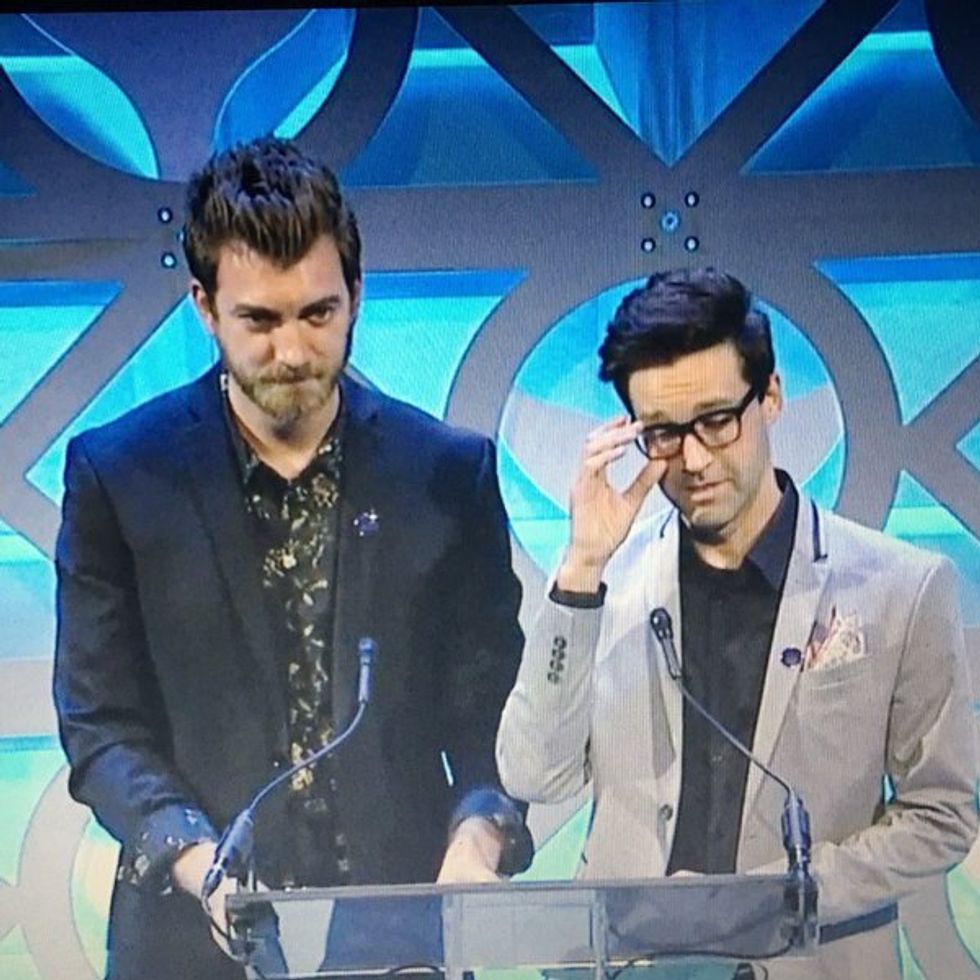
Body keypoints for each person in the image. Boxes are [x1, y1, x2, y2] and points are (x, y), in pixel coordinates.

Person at [53, 136, 529, 980]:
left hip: (396, 938)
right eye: (261, 321)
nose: (294, 352)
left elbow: (495, 713)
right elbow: (101, 725)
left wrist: (479, 831)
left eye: (317, 314)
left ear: (356, 295)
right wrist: (196, 859)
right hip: (190, 945)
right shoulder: (119, 475)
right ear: (205, 306)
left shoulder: (447, 473)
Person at [496, 268, 978, 978]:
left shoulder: (902, 588)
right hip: (626, 965)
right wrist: (581, 567)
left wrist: (772, 899)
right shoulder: (605, 587)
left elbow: (941, 816)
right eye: (664, 435)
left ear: (770, 396)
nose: (693, 460)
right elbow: (534, 772)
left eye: (717, 421)